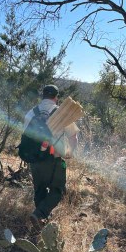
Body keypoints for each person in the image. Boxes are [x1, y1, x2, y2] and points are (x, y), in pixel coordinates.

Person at [24, 84, 78, 231]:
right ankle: (39, 214)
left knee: (40, 190)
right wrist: (70, 152)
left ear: (43, 96)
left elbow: (26, 137)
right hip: (54, 158)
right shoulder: (62, 113)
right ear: (56, 97)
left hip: (35, 159)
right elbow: (73, 137)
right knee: (57, 190)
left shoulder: (30, 113)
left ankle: (40, 219)